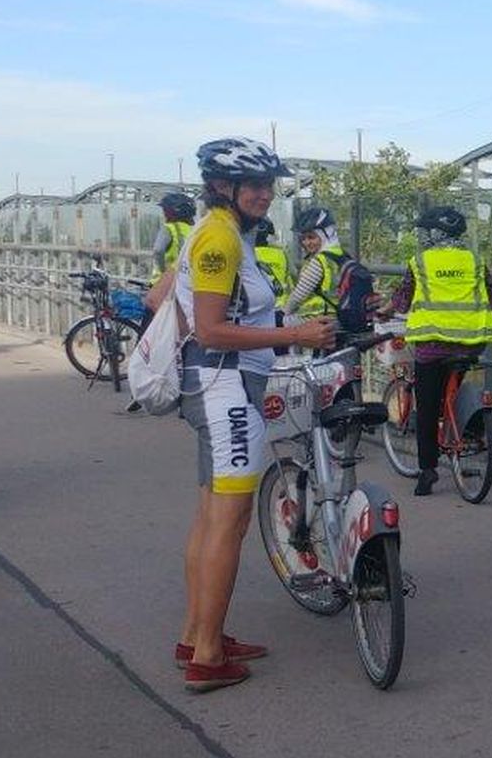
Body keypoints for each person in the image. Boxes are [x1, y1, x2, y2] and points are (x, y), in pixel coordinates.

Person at [148, 138, 335, 692]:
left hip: (218, 382)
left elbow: (160, 298)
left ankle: (197, 633)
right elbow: (209, 329)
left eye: (268, 185)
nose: (264, 193)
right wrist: (294, 333)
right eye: (253, 184)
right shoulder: (219, 238)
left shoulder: (221, 234)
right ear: (222, 187)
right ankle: (207, 657)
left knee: (210, 518)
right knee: (227, 524)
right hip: (223, 386)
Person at [385, 205, 492, 496]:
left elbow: (401, 301)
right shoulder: (475, 260)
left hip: (433, 345)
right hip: (473, 341)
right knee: (453, 388)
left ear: (435, 233)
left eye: (424, 232)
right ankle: (468, 430)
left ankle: (427, 471)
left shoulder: (421, 261)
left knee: (427, 406)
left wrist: (386, 309)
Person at [283, 206, 347, 320]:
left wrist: (283, 313)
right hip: (339, 316)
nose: (306, 243)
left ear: (325, 235)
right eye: (303, 238)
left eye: (311, 237)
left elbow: (299, 296)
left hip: (316, 318)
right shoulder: (342, 255)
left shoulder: (319, 261)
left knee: (277, 324)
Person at [149, 191, 195, 280]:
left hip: (163, 284)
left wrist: (164, 273)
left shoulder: (169, 228)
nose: (164, 214)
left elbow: (158, 250)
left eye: (165, 210)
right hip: (183, 281)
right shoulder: (193, 230)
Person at [252, 216, 290, 298]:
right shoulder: (281, 253)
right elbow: (291, 278)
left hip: (258, 306)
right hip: (281, 304)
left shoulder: (246, 253)